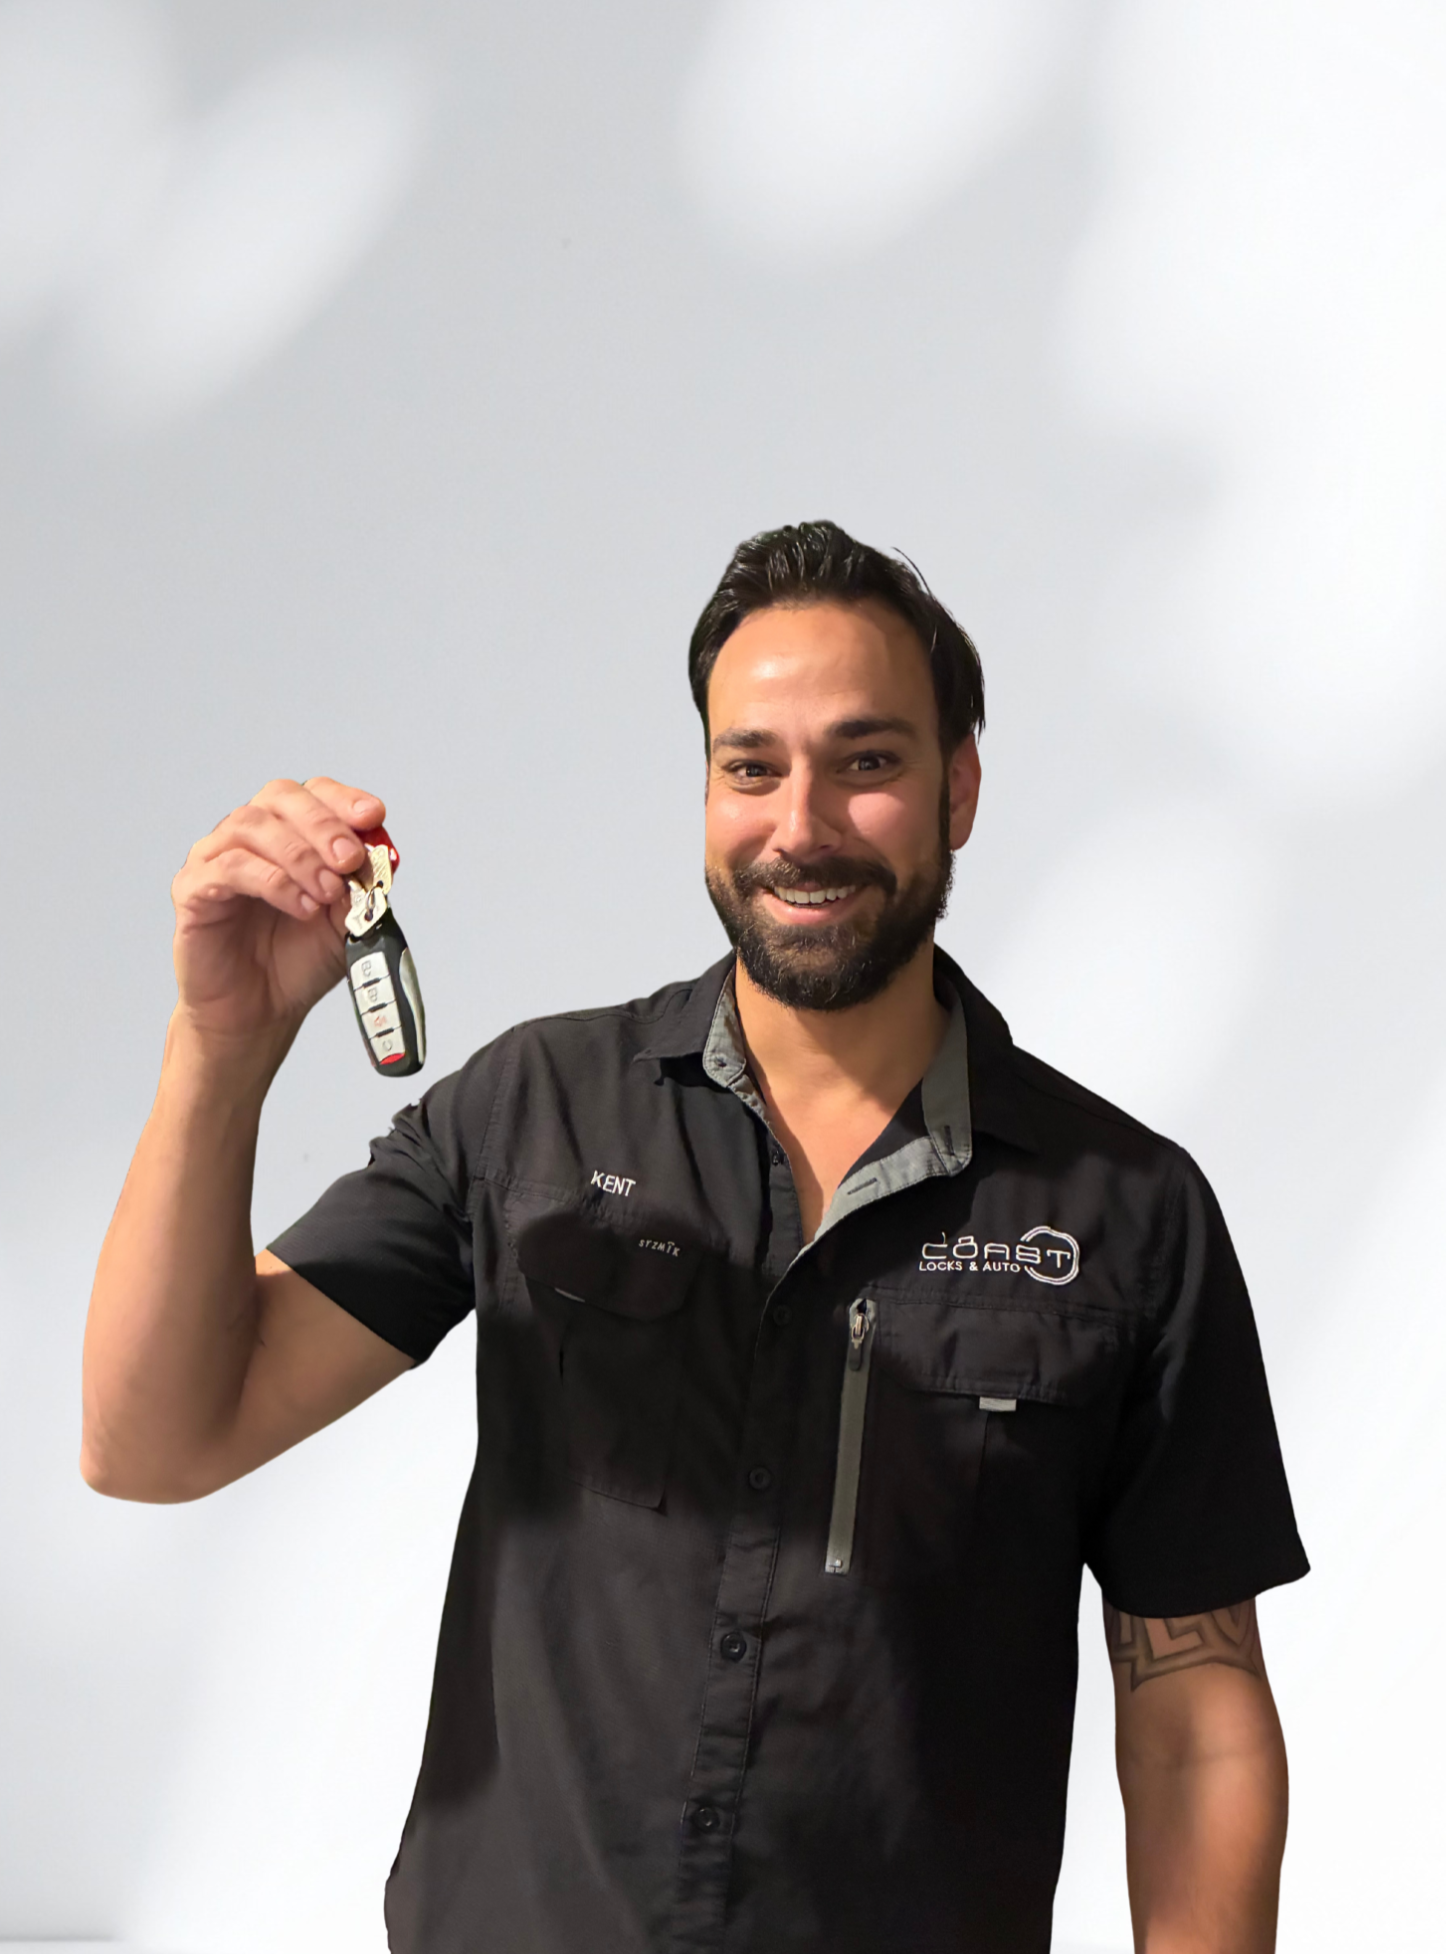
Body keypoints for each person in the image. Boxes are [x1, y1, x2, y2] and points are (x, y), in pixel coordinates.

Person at [83, 521, 1308, 1954]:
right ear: (707, 787)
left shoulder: (1127, 1210)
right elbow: (155, 1440)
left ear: (958, 788)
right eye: (752, 766)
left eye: (868, 762)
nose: (802, 824)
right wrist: (221, 1050)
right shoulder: (529, 1112)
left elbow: (1196, 1715)